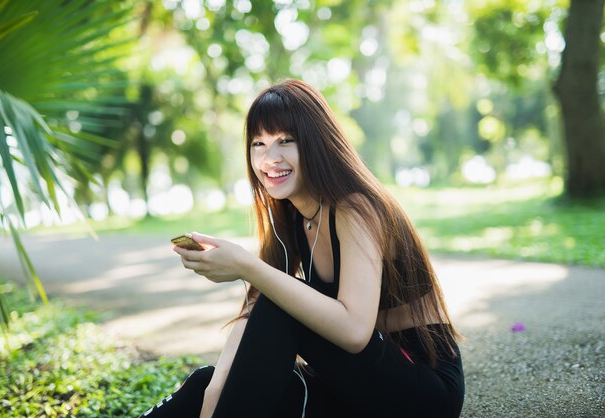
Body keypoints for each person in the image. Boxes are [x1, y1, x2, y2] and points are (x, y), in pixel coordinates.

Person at [138, 79, 465, 418]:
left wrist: (249, 267)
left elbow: (354, 332)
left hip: (420, 392)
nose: (270, 158)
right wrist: (216, 392)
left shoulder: (357, 209)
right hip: (349, 388)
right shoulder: (292, 217)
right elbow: (252, 316)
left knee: (280, 303)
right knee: (203, 383)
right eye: (258, 144)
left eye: (286, 141)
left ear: (317, 142)